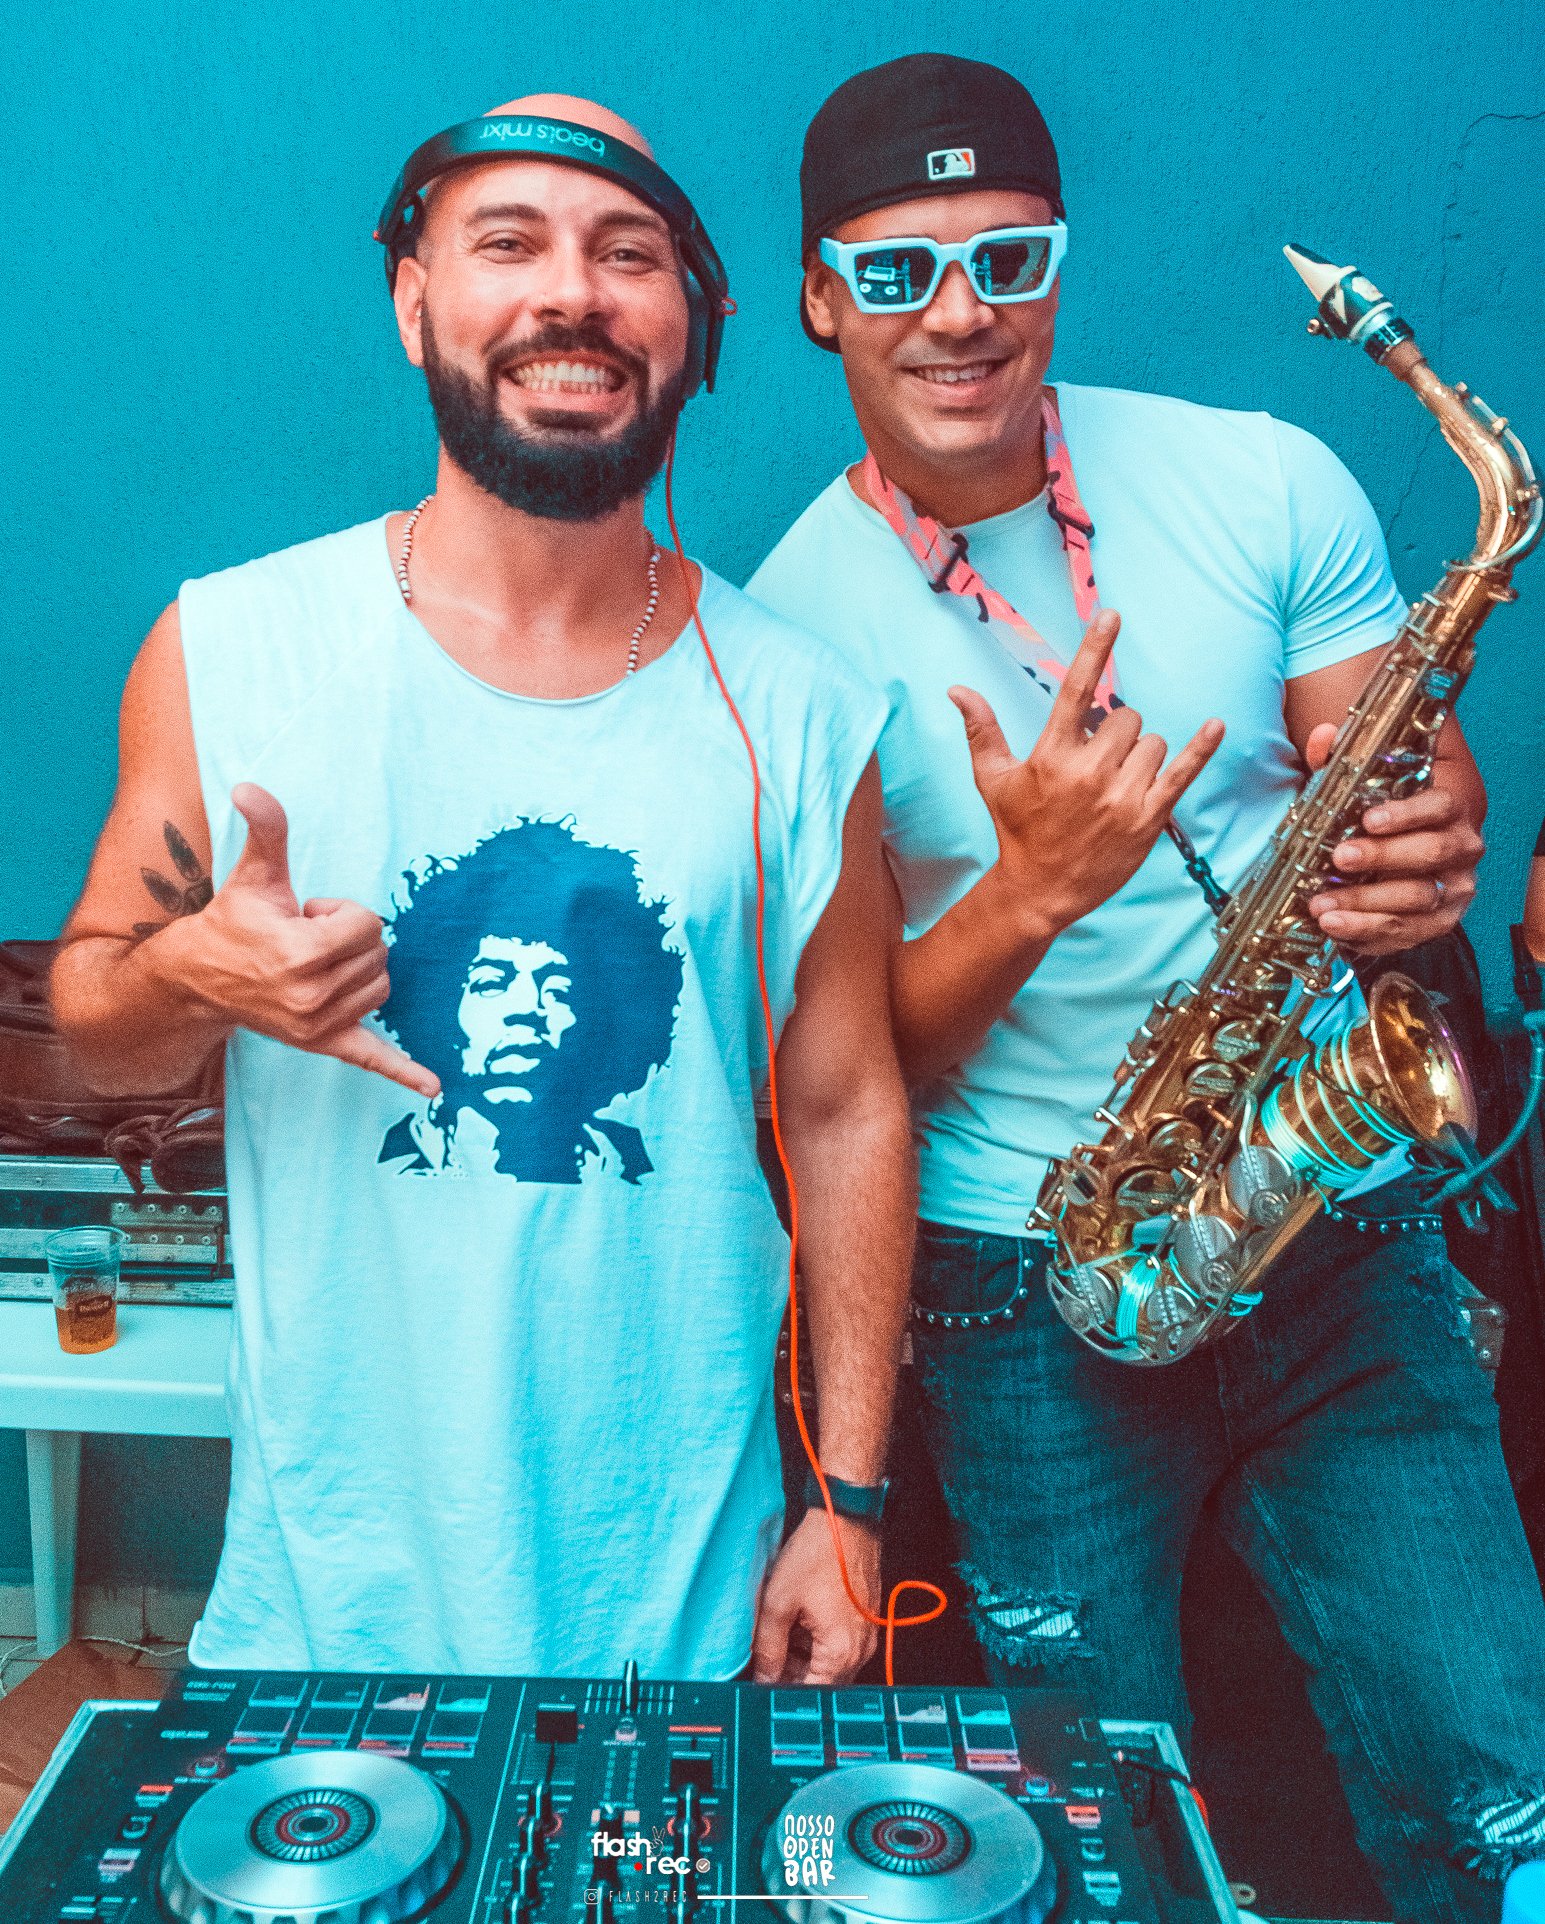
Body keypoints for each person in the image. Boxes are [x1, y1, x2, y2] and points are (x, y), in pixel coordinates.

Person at [749, 52, 1545, 1918]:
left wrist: (1428, 838)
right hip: (1026, 1277)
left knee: (1502, 1793)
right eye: (896, 272)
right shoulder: (785, 637)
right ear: (818, 301)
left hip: (1328, 1218)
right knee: (1092, 1830)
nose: (960, 314)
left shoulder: (1259, 474)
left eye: (1007, 258)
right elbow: (847, 1070)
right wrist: (1031, 894)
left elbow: (1396, 767)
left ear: (1058, 260)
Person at [52, 93, 915, 1686]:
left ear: (697, 328)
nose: (571, 292)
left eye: (627, 253)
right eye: (507, 243)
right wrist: (191, 975)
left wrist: (849, 1505)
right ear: (413, 303)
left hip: (688, 1605)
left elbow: (849, 1103)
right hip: (325, 1606)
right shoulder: (230, 648)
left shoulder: (805, 711)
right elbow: (99, 1039)